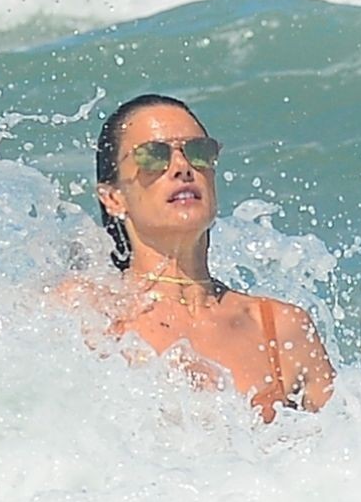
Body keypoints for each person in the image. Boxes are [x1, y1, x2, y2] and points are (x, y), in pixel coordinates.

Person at [66, 93, 335, 420]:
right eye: (153, 156)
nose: (182, 167)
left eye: (198, 152)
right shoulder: (87, 314)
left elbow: (348, 444)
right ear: (113, 198)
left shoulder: (280, 328)